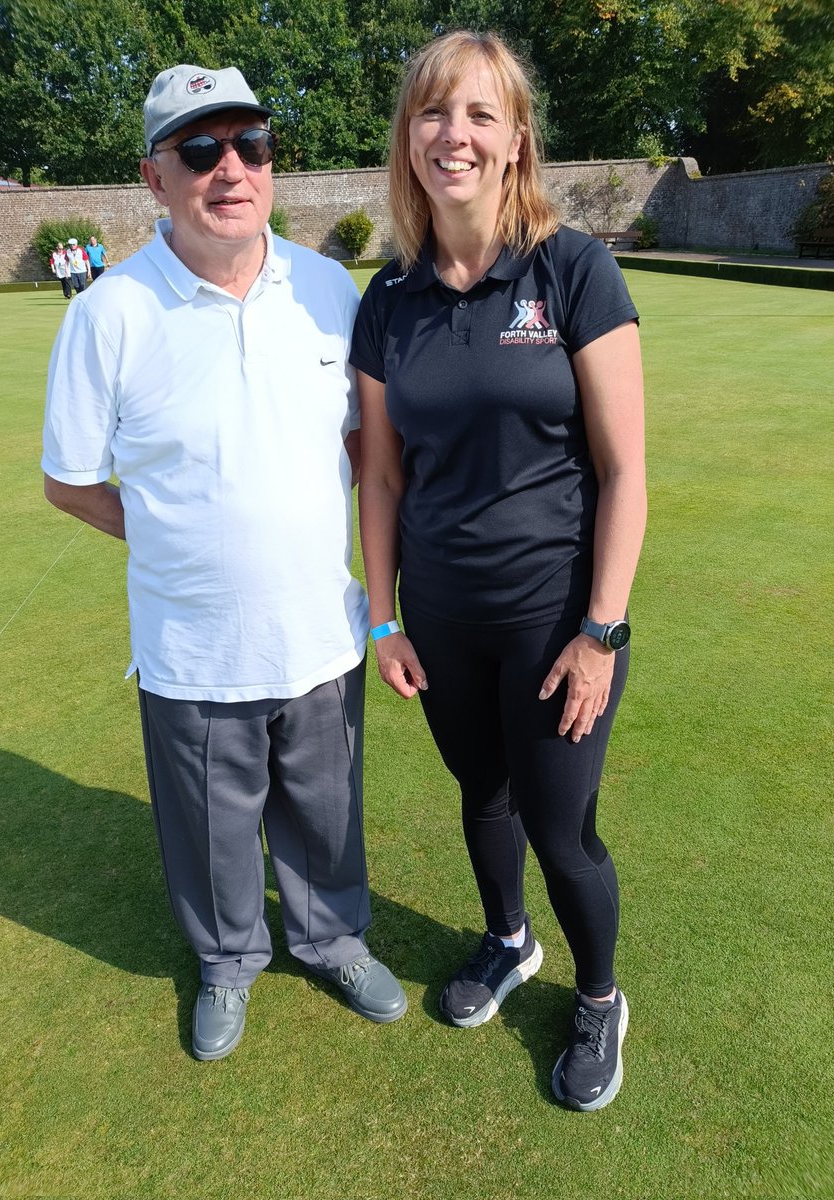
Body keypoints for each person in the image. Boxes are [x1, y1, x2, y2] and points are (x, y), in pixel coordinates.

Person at [42, 62, 407, 1061]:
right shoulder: (108, 313)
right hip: (191, 647)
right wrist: (171, 534)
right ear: (155, 178)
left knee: (327, 813)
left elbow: (360, 453)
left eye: (250, 144)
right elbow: (68, 481)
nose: (230, 168)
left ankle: (332, 937)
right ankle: (228, 961)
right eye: (199, 150)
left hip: (319, 633)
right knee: (209, 833)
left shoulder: (329, 290)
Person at [351, 31, 646, 1112]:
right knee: (483, 794)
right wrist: (383, 621)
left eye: (478, 114)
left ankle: (600, 996)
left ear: (517, 138)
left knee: (562, 829)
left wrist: (600, 631)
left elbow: (625, 475)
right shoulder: (388, 299)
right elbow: (378, 481)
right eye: (433, 113)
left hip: (553, 616)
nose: (454, 135)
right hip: (439, 615)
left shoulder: (573, 270)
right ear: (409, 139)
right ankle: (508, 941)